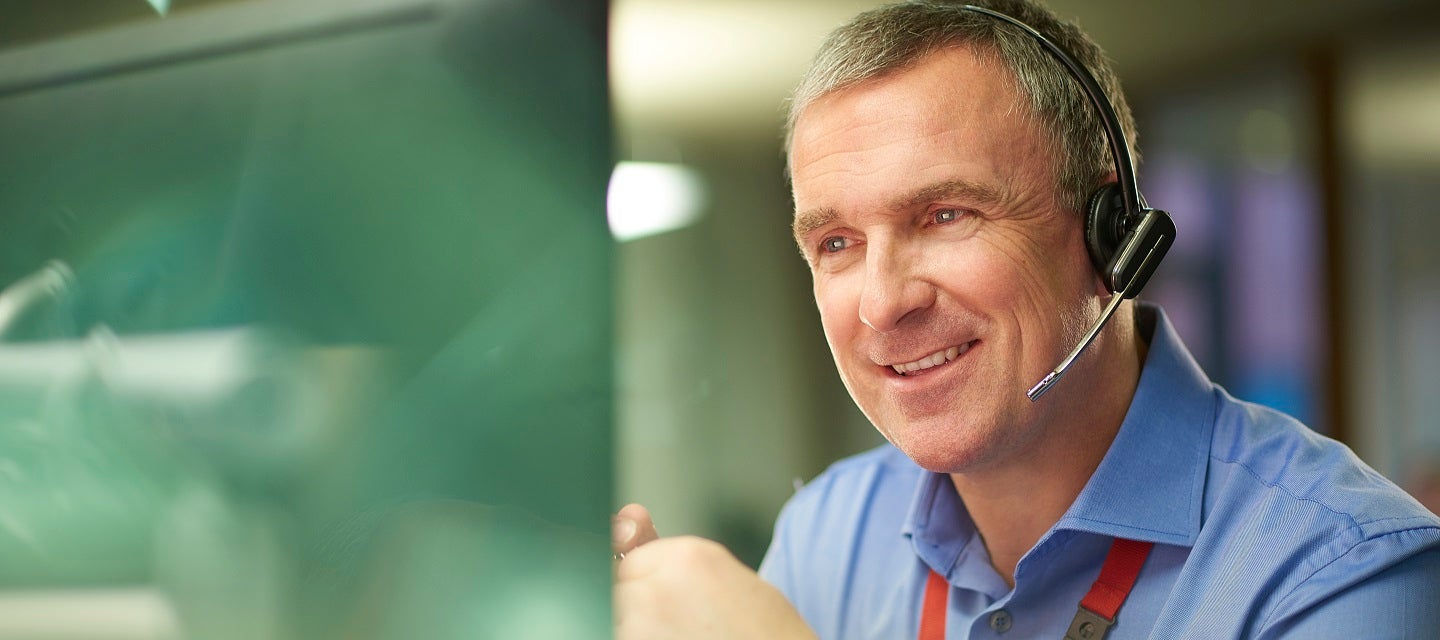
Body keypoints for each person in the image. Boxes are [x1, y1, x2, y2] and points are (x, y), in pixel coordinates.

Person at [611, 1, 1440, 638]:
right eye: (836, 242)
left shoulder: (1350, 574)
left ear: (1111, 233)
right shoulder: (828, 531)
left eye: (945, 215)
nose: (881, 301)